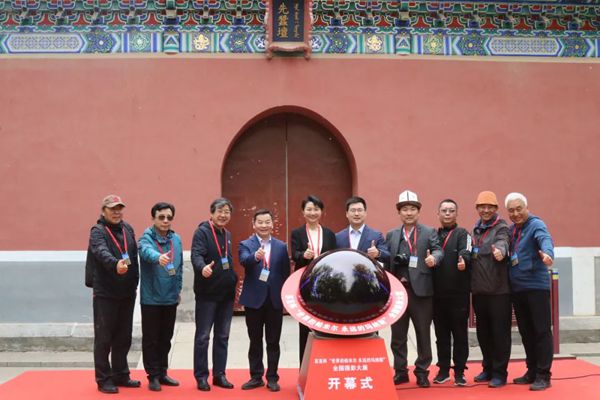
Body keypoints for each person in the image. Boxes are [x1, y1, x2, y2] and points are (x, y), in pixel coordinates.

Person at [385, 190, 443, 388]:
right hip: (398, 292)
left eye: (412, 209)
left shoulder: (429, 232)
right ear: (399, 212)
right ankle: (400, 371)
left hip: (421, 291)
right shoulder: (392, 234)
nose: (408, 213)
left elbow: (438, 249)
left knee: (423, 333)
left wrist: (434, 258)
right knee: (398, 335)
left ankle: (422, 371)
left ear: (418, 211)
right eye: (405, 209)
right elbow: (386, 258)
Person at [86, 194, 140, 394]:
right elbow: (101, 252)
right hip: (105, 293)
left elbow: (133, 256)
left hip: (126, 292)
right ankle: (103, 379)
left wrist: (135, 281)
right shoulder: (97, 231)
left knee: (123, 337)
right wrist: (115, 264)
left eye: (119, 208)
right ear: (103, 211)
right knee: (104, 338)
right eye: (112, 209)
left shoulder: (128, 229)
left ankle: (121, 374)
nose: (116, 212)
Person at [505, 192, 555, 391]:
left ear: (526, 207)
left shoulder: (536, 224)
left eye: (519, 209)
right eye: (511, 210)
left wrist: (548, 254)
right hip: (518, 289)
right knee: (526, 332)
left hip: (536, 288)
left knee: (541, 331)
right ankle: (532, 370)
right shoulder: (512, 230)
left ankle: (544, 374)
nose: (516, 213)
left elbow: (545, 239)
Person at [238, 209, 291, 392]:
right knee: (255, 340)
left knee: (273, 341)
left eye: (267, 222)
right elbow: (244, 261)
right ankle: (256, 377)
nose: (264, 225)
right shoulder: (246, 244)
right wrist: (255, 257)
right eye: (260, 222)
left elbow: (285, 273)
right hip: (254, 300)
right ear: (254, 225)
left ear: (272, 224)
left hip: (274, 300)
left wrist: (284, 297)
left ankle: (272, 378)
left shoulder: (281, 246)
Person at [191, 198, 238, 391]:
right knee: (203, 337)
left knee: (223, 336)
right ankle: (201, 376)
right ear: (212, 213)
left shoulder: (227, 234)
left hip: (226, 294)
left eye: (227, 212)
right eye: (220, 211)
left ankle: (219, 374)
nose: (223, 215)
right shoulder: (202, 232)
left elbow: (227, 259)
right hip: (207, 294)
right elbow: (196, 255)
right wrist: (202, 267)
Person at [138, 202, 183, 391]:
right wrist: (158, 257)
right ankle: (153, 375)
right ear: (153, 218)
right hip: (151, 299)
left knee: (166, 338)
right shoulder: (146, 238)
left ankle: (163, 372)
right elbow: (145, 251)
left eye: (169, 217)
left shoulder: (176, 239)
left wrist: (178, 290)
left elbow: (179, 268)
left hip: (170, 297)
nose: (165, 221)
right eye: (161, 217)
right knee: (151, 339)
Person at [470, 191, 511, 388]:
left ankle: (500, 373)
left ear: (496, 209)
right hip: (479, 291)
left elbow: (503, 242)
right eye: (482, 207)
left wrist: (501, 251)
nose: (485, 210)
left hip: (498, 292)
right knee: (483, 333)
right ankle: (487, 367)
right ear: (477, 208)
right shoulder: (476, 229)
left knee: (499, 334)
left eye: (490, 207)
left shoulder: (501, 228)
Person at [290, 195, 337, 364]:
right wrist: (303, 255)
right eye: (309, 209)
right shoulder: (297, 233)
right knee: (306, 326)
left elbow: (335, 258)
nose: (312, 213)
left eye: (316, 209)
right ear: (303, 212)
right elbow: (294, 254)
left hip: (326, 286)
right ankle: (305, 367)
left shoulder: (329, 234)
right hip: (305, 285)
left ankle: (324, 365)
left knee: (326, 326)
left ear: (321, 212)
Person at [431, 199, 471, 386]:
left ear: (457, 214)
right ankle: (443, 370)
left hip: (458, 294)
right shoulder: (433, 235)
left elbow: (466, 250)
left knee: (460, 334)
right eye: (444, 210)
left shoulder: (463, 233)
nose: (447, 214)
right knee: (441, 335)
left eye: (451, 210)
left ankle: (460, 372)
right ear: (438, 214)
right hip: (437, 295)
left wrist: (464, 260)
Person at [335, 196, 390, 264]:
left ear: (365, 213)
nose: (356, 214)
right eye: (353, 210)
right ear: (347, 214)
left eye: (360, 210)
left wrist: (378, 253)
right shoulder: (338, 237)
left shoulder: (376, 236)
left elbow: (387, 256)